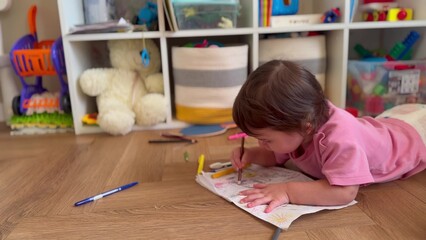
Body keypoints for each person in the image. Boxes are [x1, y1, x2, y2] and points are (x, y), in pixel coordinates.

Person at [230, 60, 426, 213]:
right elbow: (278, 155)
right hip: (384, 126)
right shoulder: (300, 122)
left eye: (266, 140)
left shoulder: (339, 139)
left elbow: (344, 192)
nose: (261, 144)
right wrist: (251, 155)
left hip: (412, 141)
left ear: (304, 128)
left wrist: (287, 191)